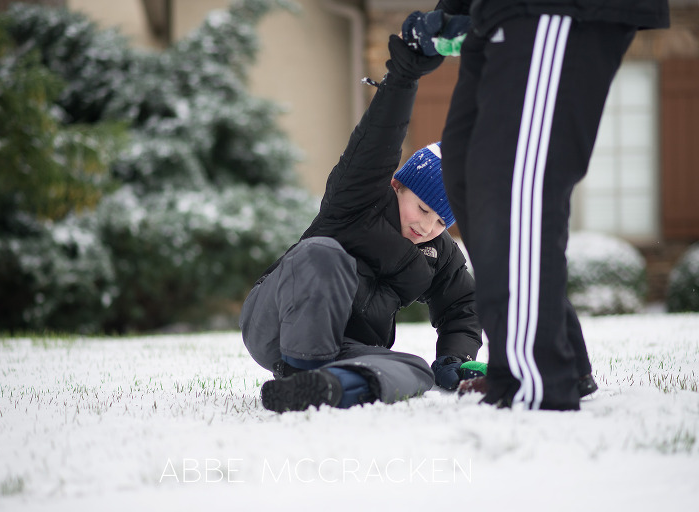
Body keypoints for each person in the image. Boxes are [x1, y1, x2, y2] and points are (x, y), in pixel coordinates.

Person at [402, 0, 670, 410]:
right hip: (492, 17)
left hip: (552, 8)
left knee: (514, 182)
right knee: (467, 177)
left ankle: (537, 375)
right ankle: (553, 359)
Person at [239, 33, 483, 413]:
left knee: (414, 369)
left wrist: (454, 358)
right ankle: (301, 368)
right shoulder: (357, 198)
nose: (426, 226)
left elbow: (462, 305)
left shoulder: (437, 252)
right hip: (276, 322)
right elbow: (375, 144)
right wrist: (403, 78)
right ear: (396, 185)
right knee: (323, 253)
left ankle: (326, 387)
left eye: (440, 221)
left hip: (341, 348)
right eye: (421, 208)